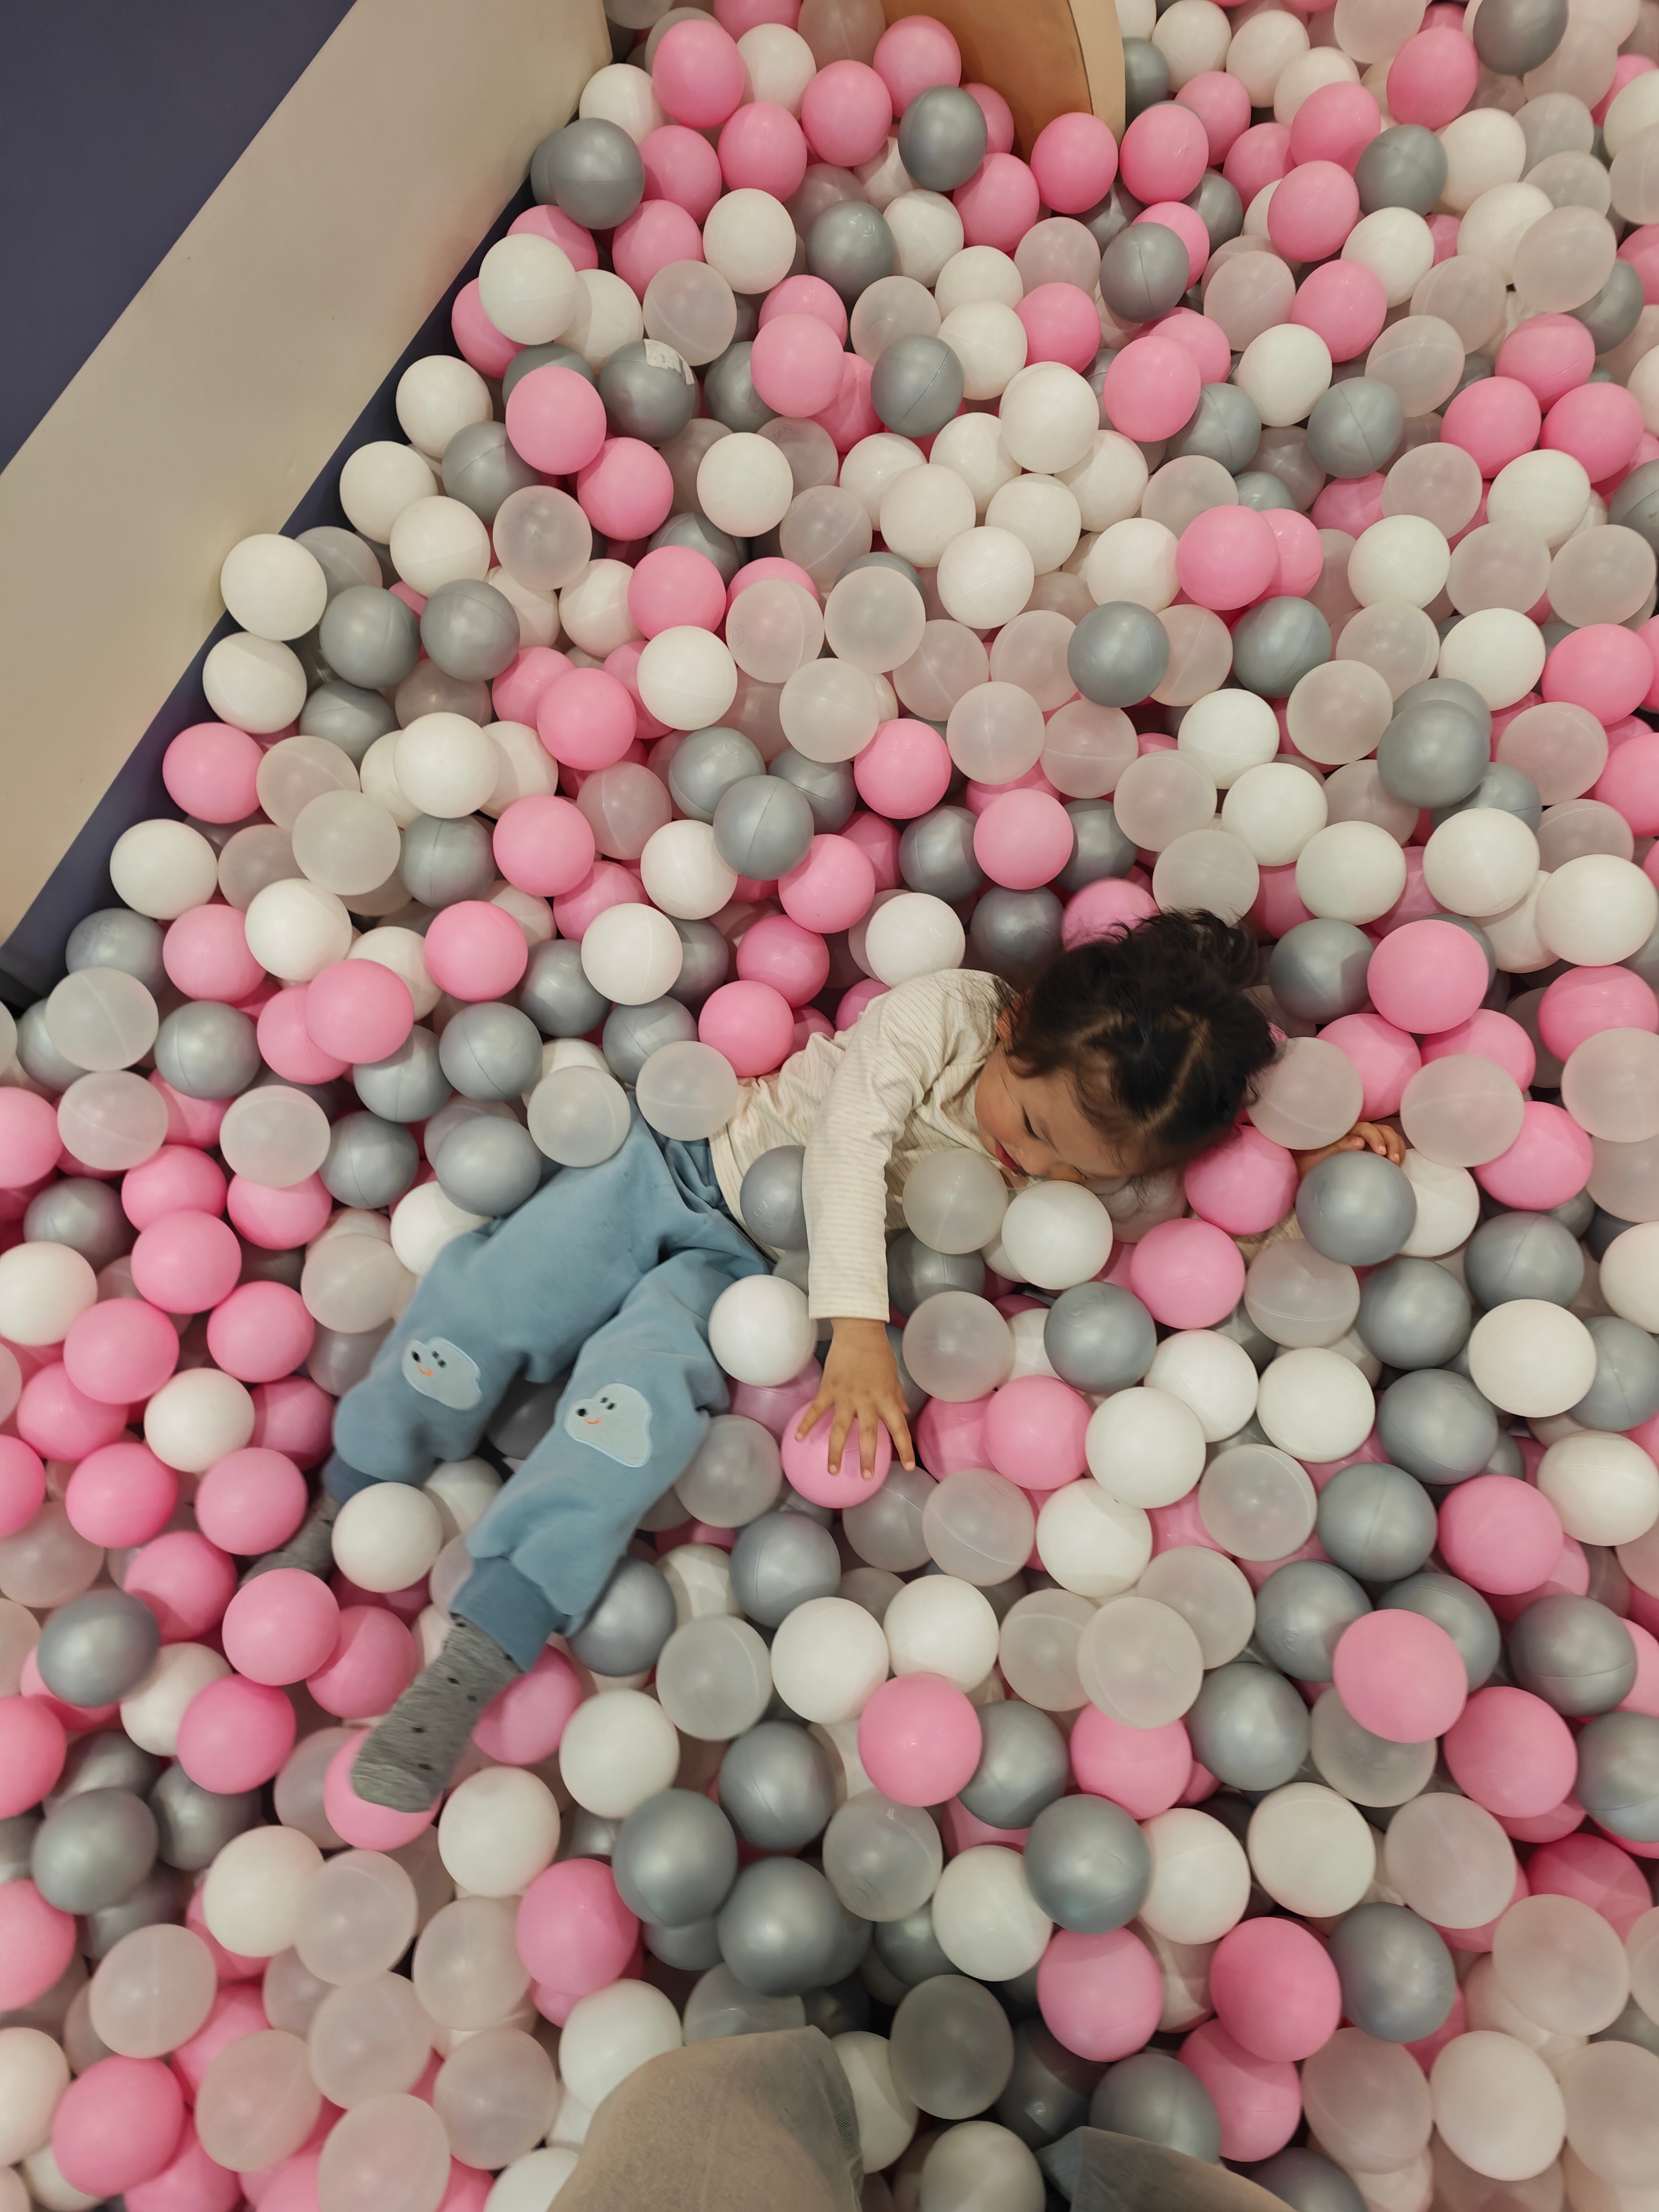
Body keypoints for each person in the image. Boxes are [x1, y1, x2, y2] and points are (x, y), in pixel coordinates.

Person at [266, 912, 1392, 1811]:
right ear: (1017, 1031)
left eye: (1074, 1170)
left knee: (636, 1419)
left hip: (747, 1279)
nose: (1035, 1165)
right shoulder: (944, 1014)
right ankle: (356, 1478)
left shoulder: (1087, 1151)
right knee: (495, 1299)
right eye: (1034, 1126)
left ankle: (486, 1641)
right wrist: (857, 1328)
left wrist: (1313, 1161)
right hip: (675, 1167)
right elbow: (848, 1146)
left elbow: (1177, 1211)